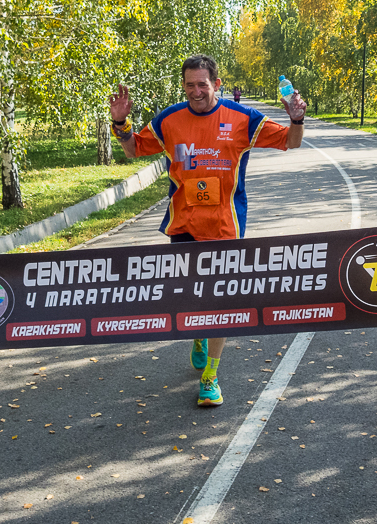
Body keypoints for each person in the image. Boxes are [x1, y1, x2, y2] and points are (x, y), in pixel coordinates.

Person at [109, 55, 307, 407]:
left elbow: (291, 142)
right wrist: (120, 121)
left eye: (203, 84)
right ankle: (198, 335)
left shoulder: (242, 119)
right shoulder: (170, 120)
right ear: (183, 86)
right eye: (190, 85)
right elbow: (133, 149)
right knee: (190, 300)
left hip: (225, 225)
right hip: (183, 224)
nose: (196, 91)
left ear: (217, 84)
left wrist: (297, 120)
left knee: (219, 302)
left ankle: (210, 377)